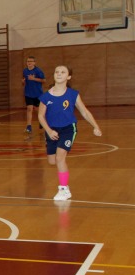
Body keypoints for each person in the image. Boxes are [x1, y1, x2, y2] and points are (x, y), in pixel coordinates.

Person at [38, 65, 102, 201]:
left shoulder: (73, 94)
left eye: (63, 72)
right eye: (57, 72)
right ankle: (63, 179)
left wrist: (95, 126)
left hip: (68, 129)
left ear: (68, 77)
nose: (59, 74)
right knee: (52, 161)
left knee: (60, 158)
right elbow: (40, 116)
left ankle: (64, 189)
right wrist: (49, 131)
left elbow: (84, 112)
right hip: (51, 130)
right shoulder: (46, 96)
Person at [22, 55, 45, 134]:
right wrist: (23, 81)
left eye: (31, 61)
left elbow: (44, 80)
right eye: (28, 61)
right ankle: (29, 126)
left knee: (38, 110)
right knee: (29, 109)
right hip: (28, 93)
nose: (29, 63)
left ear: (34, 63)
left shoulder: (38, 71)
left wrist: (34, 78)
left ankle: (41, 121)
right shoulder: (25, 71)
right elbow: (25, 80)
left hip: (37, 93)